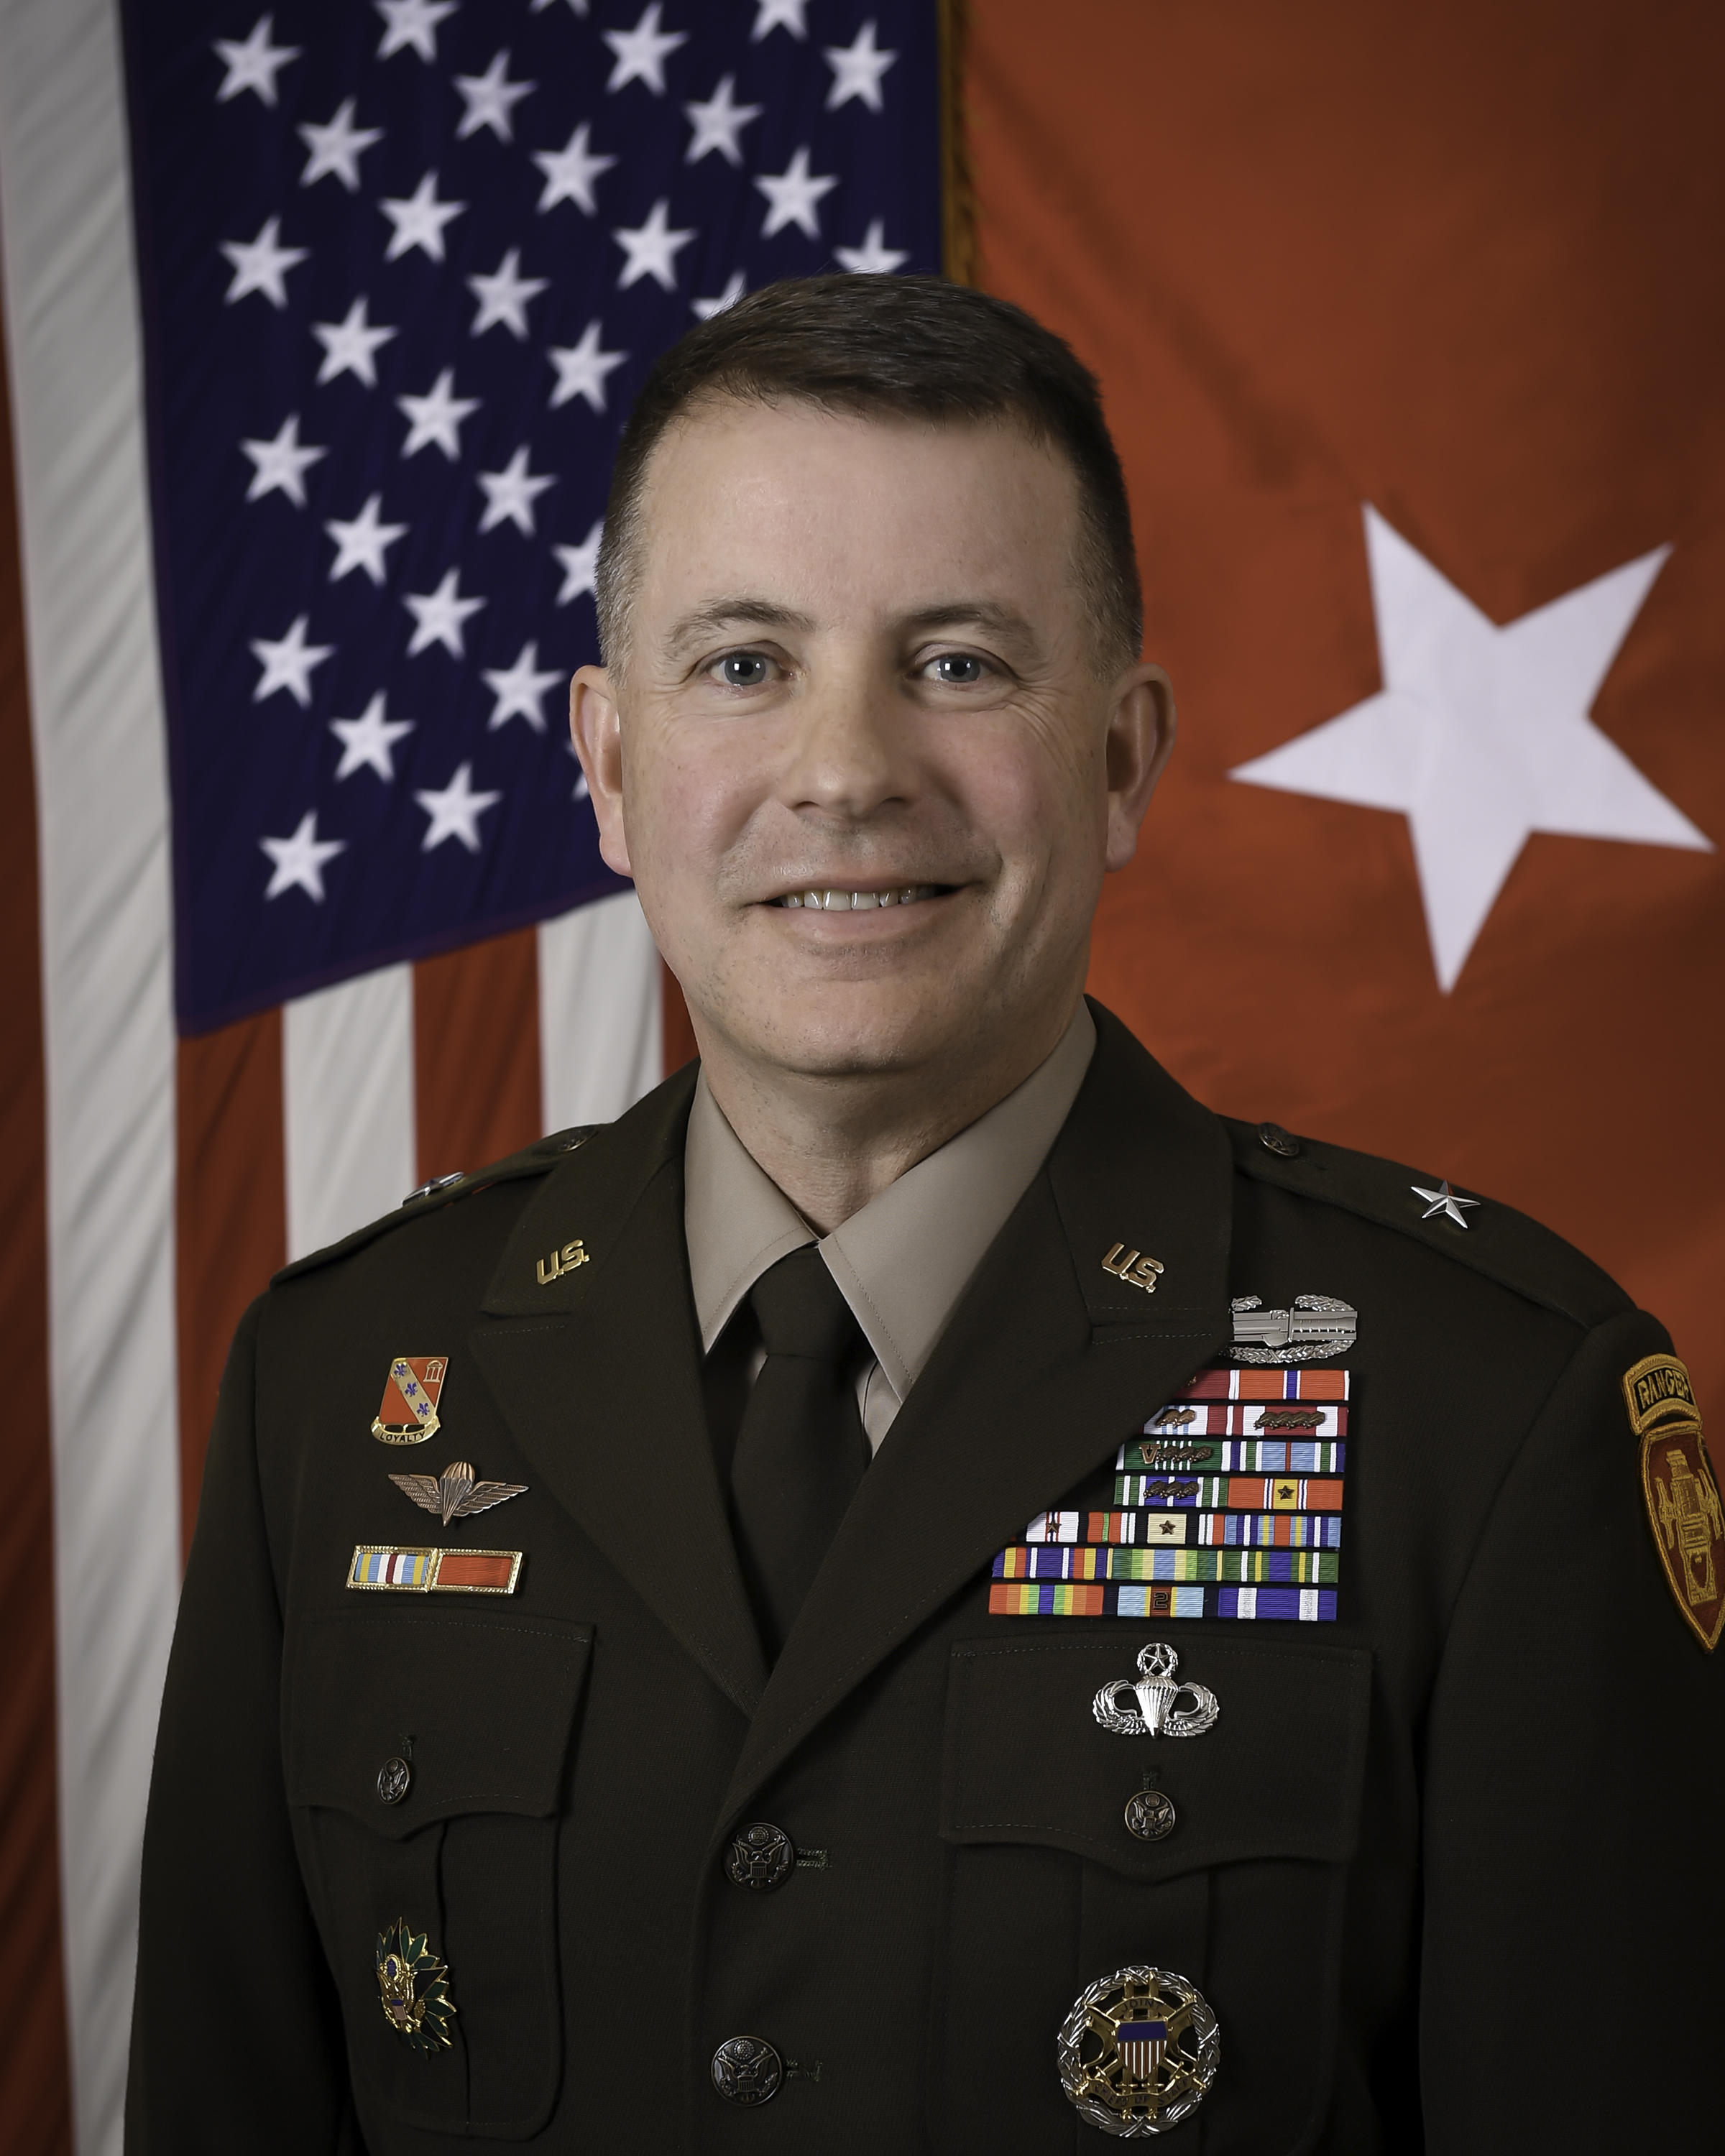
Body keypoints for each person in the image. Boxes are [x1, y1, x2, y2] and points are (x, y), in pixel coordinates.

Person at [126, 275, 1721, 2152]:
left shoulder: (1495, 1413)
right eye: (742, 664)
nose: (847, 771)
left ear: (1122, 759)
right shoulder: (345, 1385)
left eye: (959, 661)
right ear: (613, 768)